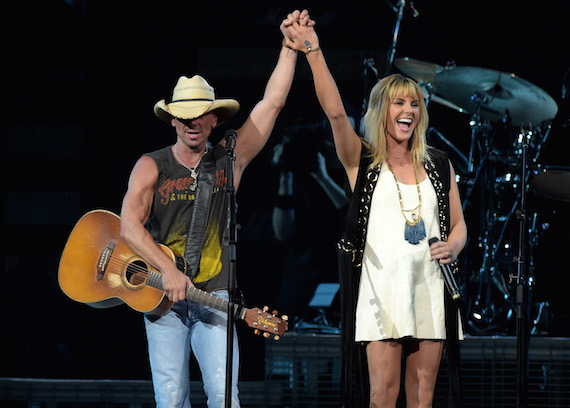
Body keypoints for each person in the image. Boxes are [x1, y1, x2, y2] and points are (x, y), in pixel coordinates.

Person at [119, 10, 314, 408]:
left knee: (225, 397)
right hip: (162, 298)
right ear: (172, 120)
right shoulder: (150, 165)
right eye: (184, 116)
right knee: (171, 399)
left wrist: (289, 48)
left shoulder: (229, 158)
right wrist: (168, 270)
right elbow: (129, 228)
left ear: (214, 118)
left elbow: (272, 104)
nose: (192, 122)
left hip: (216, 294)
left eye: (200, 115)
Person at [282, 11, 467, 408]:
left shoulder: (439, 163)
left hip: (429, 286)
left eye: (415, 103)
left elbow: (459, 226)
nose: (409, 110)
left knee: (423, 395)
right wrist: (313, 51)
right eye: (399, 102)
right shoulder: (362, 161)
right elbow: (334, 112)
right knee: (383, 394)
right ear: (381, 109)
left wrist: (452, 247)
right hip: (381, 290)